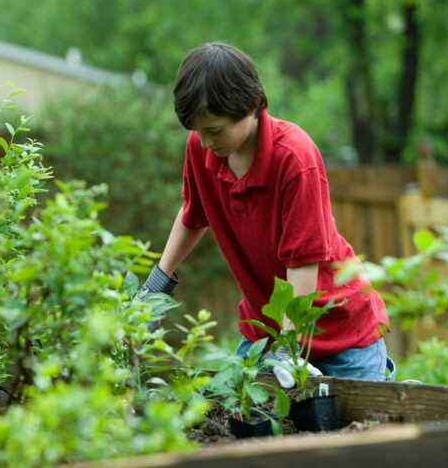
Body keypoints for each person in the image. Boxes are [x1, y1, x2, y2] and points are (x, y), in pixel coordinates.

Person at [142, 42, 394, 388]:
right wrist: (154, 290)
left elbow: (302, 264)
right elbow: (192, 215)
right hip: (267, 332)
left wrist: (288, 349)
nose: (203, 142)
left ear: (249, 106)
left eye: (214, 130)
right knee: (241, 422)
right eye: (197, 131)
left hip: (340, 337)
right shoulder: (201, 149)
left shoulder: (294, 157)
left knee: (354, 435)